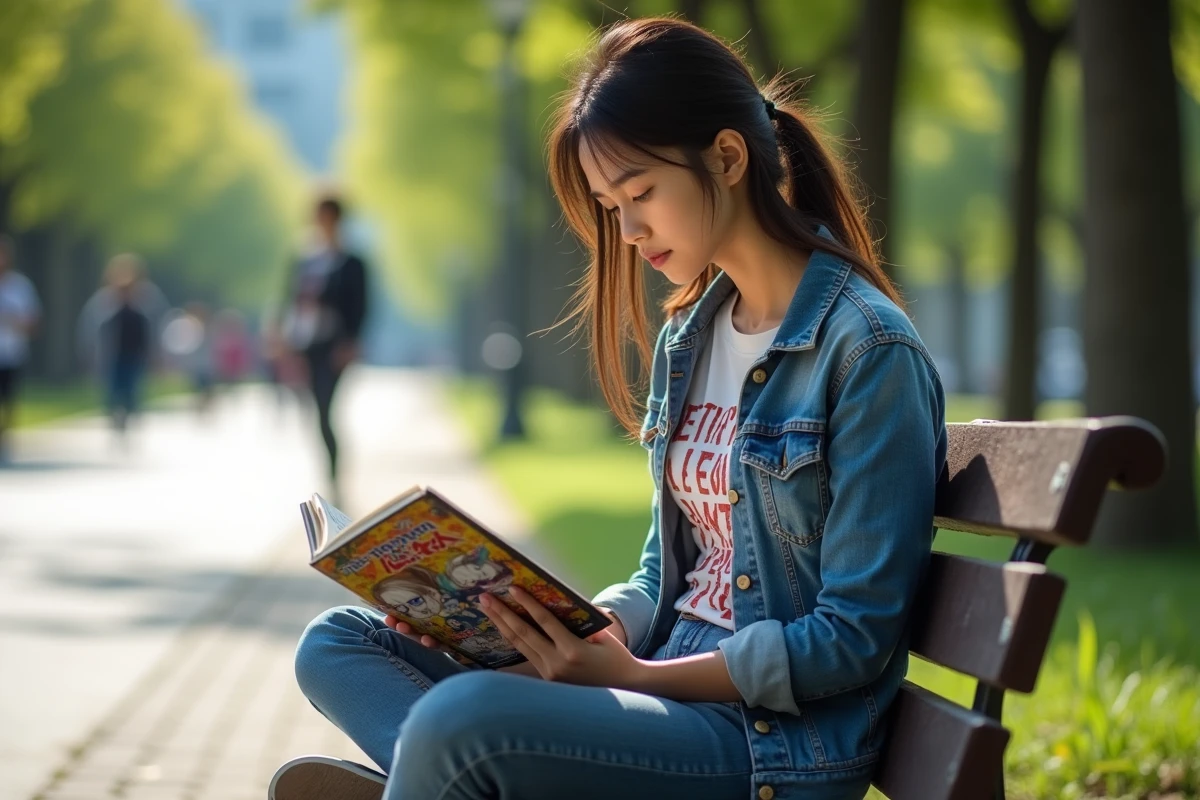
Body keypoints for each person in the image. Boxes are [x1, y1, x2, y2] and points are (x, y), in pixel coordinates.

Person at [286, 18, 946, 800]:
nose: (628, 231)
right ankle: (447, 778)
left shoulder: (867, 351)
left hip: (762, 742)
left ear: (728, 158)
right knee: (340, 644)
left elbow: (852, 638)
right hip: (655, 682)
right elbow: (663, 568)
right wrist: (573, 631)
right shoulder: (691, 336)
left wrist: (641, 675)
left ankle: (443, 773)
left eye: (640, 193)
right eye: (610, 204)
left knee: (461, 718)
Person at [276, 193, 368, 489]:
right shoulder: (304, 259)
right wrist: (281, 336)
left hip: (334, 346)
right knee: (315, 410)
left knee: (326, 407)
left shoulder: (352, 262)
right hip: (305, 344)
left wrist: (351, 342)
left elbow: (360, 305)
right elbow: (289, 299)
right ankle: (329, 468)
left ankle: (334, 473)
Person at [77, 254, 167, 435]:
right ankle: (116, 417)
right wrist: (88, 354)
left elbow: (158, 327)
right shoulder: (103, 301)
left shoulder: (148, 299)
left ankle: (129, 415)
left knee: (133, 390)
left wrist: (158, 354)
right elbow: (90, 329)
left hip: (136, 354)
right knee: (112, 390)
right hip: (111, 355)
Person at [0, 235, 41, 461]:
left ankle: (6, 436)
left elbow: (33, 322)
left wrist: (13, 320)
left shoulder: (20, 287)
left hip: (11, 353)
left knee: (8, 398)